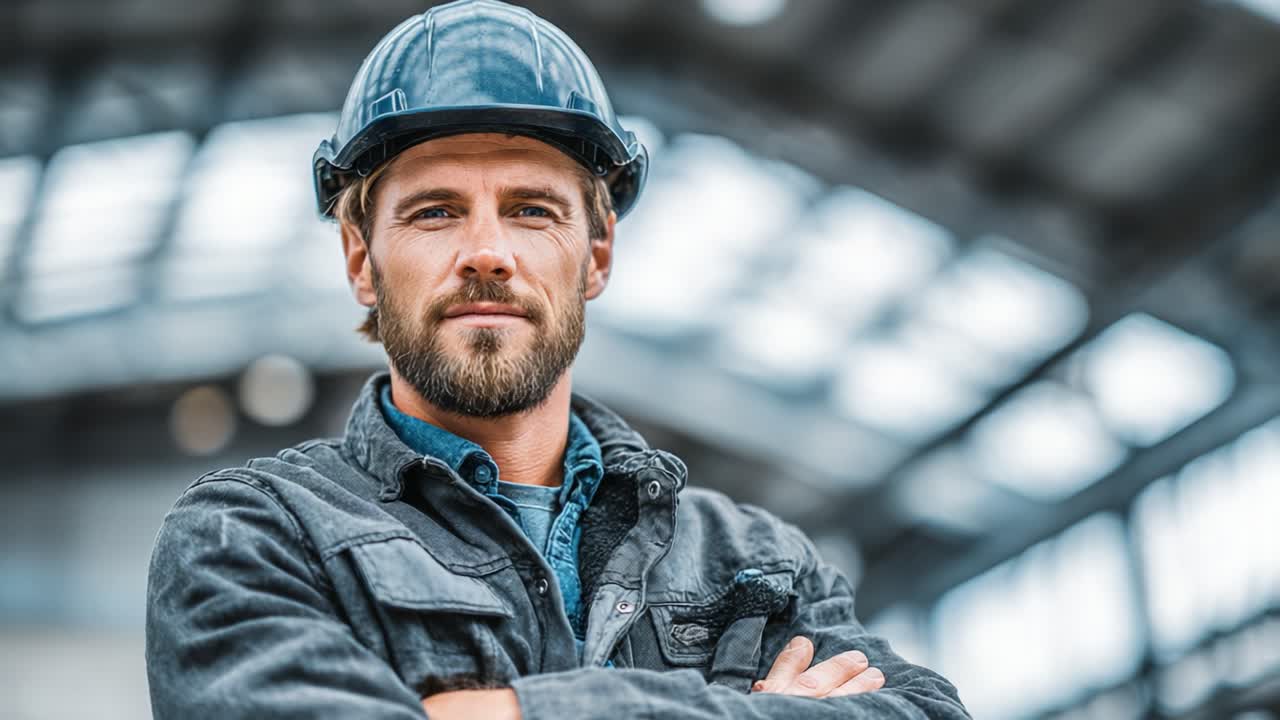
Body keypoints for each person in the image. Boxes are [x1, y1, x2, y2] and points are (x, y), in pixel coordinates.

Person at [144, 1, 970, 718]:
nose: (487, 252)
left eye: (531, 210)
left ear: (597, 253)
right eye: (435, 212)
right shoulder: (253, 536)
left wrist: (494, 712)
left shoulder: (760, 560)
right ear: (361, 259)